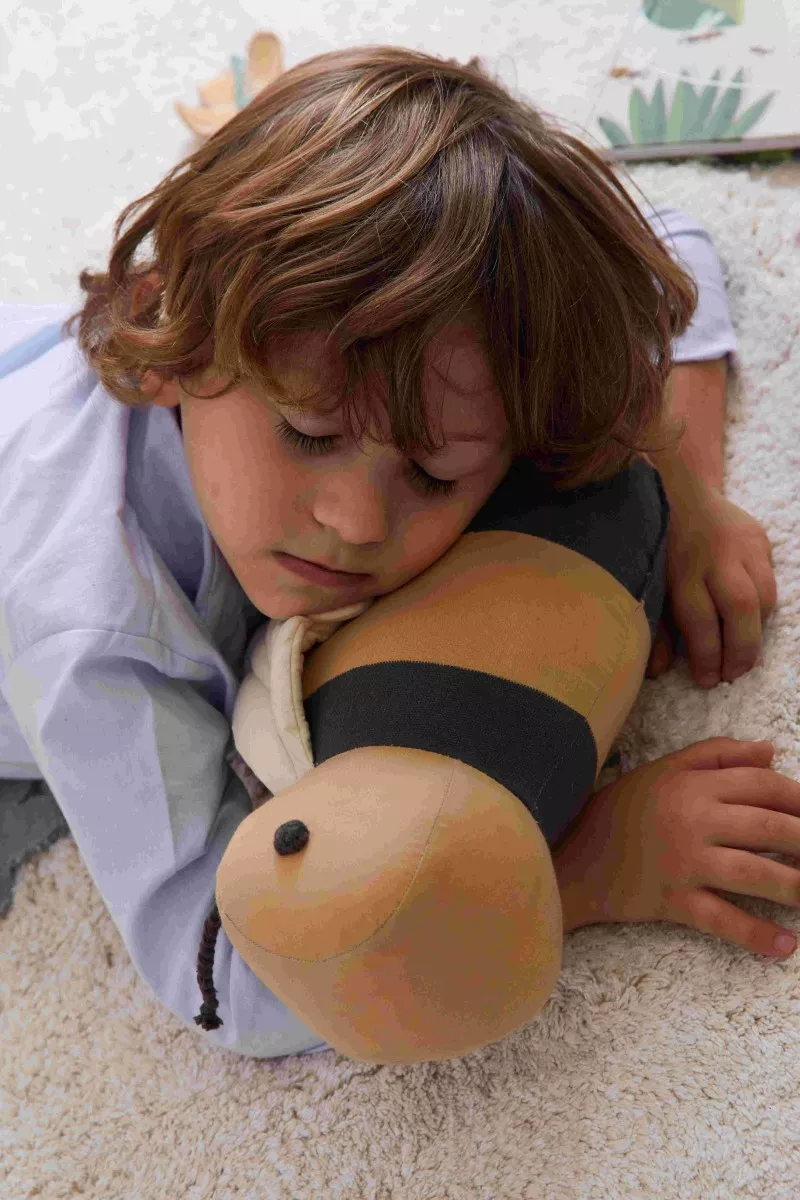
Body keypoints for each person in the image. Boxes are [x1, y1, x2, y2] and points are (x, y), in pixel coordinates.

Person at [0, 45, 779, 1062]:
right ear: (167, 339)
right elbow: (223, 977)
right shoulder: (96, 629)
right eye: (309, 435)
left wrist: (692, 494)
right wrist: (582, 868)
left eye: (434, 474)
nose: (359, 522)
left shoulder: (380, 346)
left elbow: (663, 245)